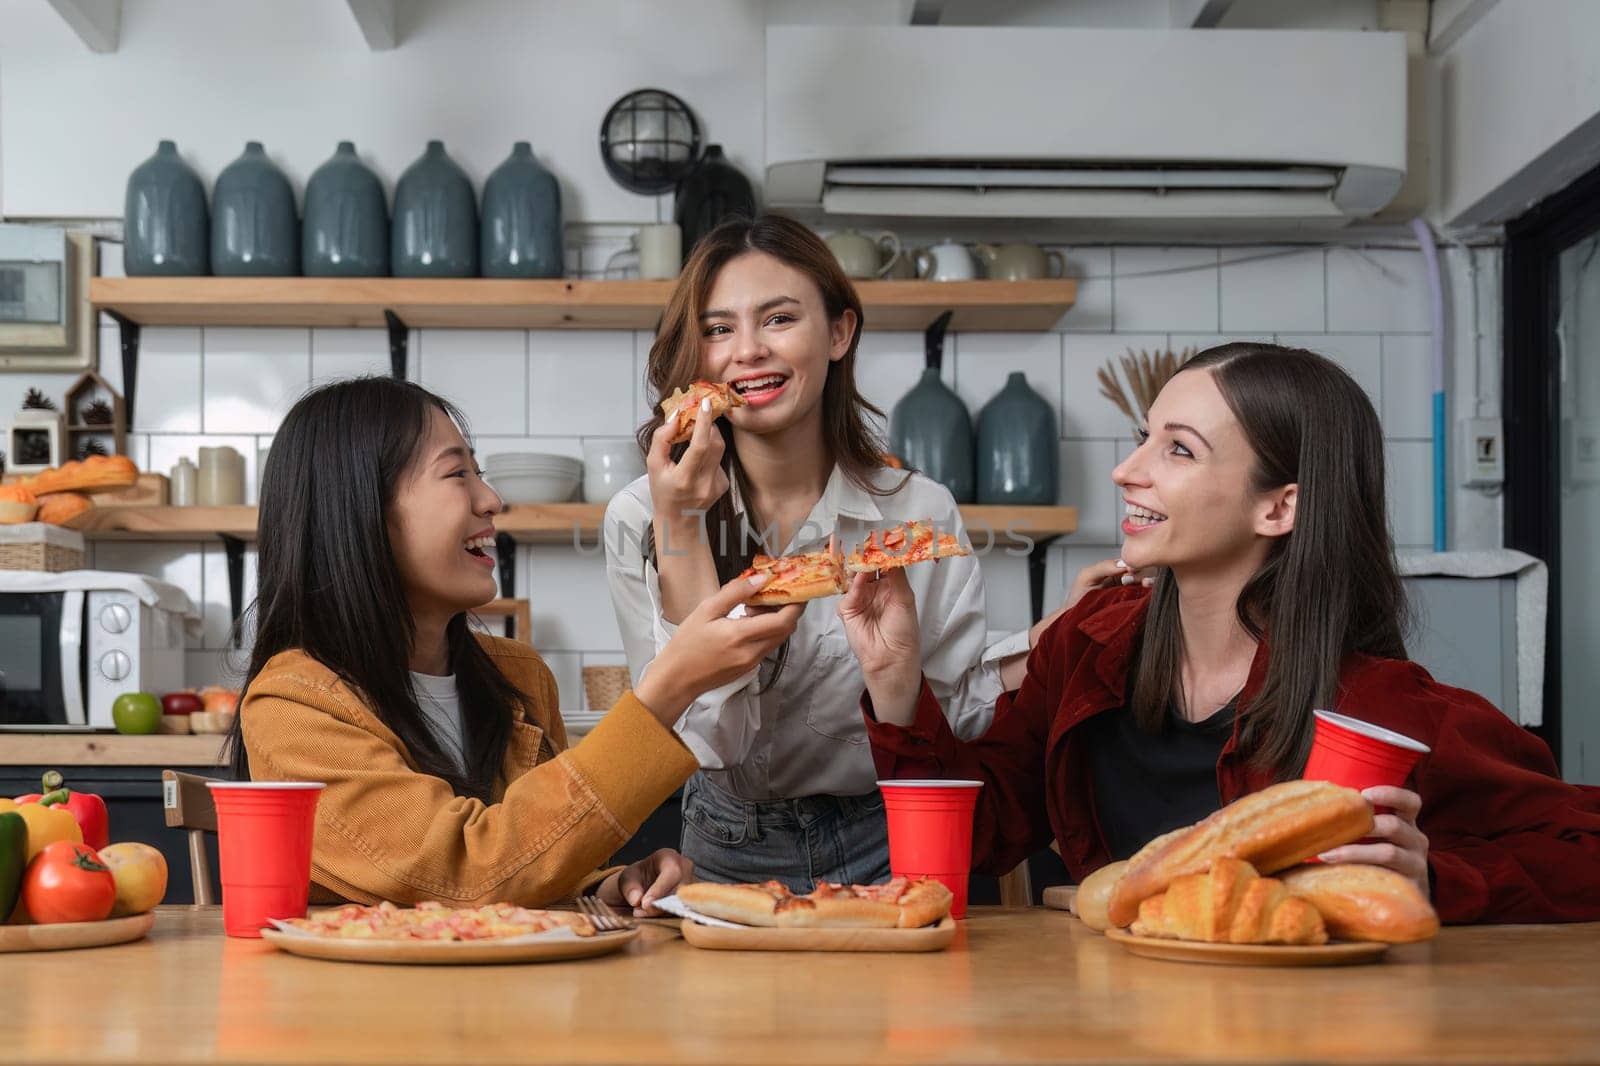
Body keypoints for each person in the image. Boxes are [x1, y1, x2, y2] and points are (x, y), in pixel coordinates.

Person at [841, 342, 1600, 923]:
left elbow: (1580, 849)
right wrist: (897, 682)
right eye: (1144, 438)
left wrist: (1434, 879)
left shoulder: (1383, 706)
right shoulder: (1086, 647)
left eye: (1178, 449)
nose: (1126, 471)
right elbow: (982, 833)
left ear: (1280, 507)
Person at [227, 377, 801, 914]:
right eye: (457, 475)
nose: (491, 499)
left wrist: (602, 882)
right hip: (369, 1012)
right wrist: (669, 687)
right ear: (359, 512)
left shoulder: (518, 677)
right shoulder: (293, 707)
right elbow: (467, 875)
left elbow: (530, 860)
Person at [604, 214, 1033, 890]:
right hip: (723, 850)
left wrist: (1051, 645)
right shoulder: (638, 518)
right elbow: (696, 731)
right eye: (718, 329)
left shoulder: (919, 512)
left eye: (777, 319)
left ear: (839, 332)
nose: (746, 351)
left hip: (892, 835)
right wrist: (681, 520)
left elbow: (954, 720)